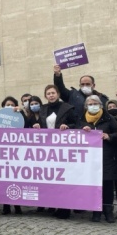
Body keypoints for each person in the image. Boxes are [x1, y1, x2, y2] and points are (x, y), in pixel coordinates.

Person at [33, 85, 77, 219]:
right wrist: (37, 126)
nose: (51, 95)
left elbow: (77, 124)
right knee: (52, 178)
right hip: (47, 149)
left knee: (64, 178)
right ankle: (54, 204)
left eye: (53, 93)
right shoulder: (43, 109)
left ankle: (65, 208)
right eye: (48, 93)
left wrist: (68, 127)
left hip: (64, 148)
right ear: (45, 96)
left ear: (57, 94)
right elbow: (41, 124)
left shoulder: (68, 108)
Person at [80, 95, 117, 223]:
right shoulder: (81, 119)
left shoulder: (109, 118)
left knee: (107, 185)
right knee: (93, 185)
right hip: (88, 159)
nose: (93, 105)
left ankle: (108, 211)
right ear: (86, 106)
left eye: (95, 103)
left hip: (106, 157)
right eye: (90, 104)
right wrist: (83, 131)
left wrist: (109, 136)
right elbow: (75, 136)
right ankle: (96, 211)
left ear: (100, 105)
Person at [0, 96, 24, 215]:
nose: (9, 107)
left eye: (11, 104)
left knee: (16, 179)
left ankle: (17, 205)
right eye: (7, 104)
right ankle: (6, 205)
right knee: (5, 180)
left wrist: (22, 113)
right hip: (4, 154)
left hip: (17, 153)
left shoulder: (20, 116)